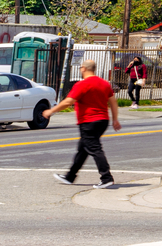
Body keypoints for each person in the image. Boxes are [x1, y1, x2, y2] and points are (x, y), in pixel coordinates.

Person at [49, 58, 120, 190]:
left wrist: (51, 111)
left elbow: (68, 101)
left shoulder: (82, 84)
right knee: (83, 149)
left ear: (84, 69)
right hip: (103, 121)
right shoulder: (104, 83)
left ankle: (106, 178)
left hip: (89, 121)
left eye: (81, 68)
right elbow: (113, 102)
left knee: (94, 149)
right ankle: (70, 176)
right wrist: (115, 119)